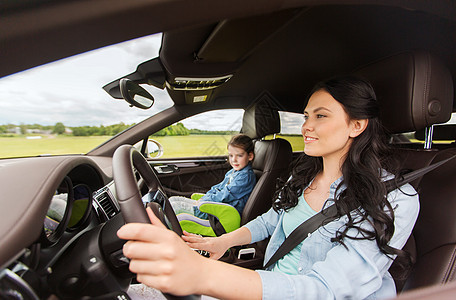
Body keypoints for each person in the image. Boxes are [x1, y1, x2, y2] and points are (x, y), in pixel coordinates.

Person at [117, 76, 419, 299]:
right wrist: (224, 242)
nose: (306, 127)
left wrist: (203, 275)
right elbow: (271, 219)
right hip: (268, 283)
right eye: (306, 116)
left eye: (321, 116)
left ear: (357, 125)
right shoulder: (303, 176)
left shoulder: (394, 198)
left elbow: (325, 290)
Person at [168, 134, 256, 220]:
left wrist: (204, 201)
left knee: (176, 207)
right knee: (173, 200)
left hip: (222, 213)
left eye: (239, 155)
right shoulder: (233, 171)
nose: (233, 160)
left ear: (250, 156)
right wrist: (205, 197)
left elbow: (226, 195)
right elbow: (219, 187)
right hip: (217, 205)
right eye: (231, 155)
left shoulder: (245, 177)